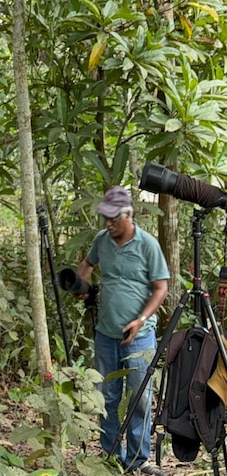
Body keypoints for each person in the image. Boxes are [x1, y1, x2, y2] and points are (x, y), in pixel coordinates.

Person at [76, 185, 169, 475]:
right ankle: (111, 455)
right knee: (107, 396)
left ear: (128, 214)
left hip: (139, 336)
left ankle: (137, 460)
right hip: (106, 333)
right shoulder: (102, 240)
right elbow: (88, 264)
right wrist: (79, 283)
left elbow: (161, 287)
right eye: (106, 217)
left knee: (139, 397)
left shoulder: (147, 244)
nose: (108, 223)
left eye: (114, 218)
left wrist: (140, 319)